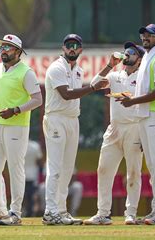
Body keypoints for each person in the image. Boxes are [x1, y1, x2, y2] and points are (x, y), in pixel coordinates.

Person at [42, 34, 107, 225]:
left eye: (76, 46)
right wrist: (93, 89)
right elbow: (66, 94)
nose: (72, 49)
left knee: (67, 168)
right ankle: (49, 211)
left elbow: (87, 87)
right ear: (63, 48)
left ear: (80, 50)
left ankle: (60, 211)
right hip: (56, 118)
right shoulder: (57, 67)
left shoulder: (78, 70)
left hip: (72, 119)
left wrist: (108, 68)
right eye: (69, 45)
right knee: (54, 168)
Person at [117, 24, 155, 225]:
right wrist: (131, 98)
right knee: (152, 165)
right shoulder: (150, 57)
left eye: (150, 35)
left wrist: (132, 101)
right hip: (147, 115)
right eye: (143, 34)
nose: (145, 37)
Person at [0, 34, 43, 226]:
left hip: (17, 126)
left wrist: (16, 110)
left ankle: (16, 213)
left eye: (8, 48)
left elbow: (37, 99)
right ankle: (0, 212)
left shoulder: (26, 72)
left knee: (16, 168)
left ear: (18, 52)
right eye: (2, 48)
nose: (4, 51)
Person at [84, 43, 145, 226]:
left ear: (139, 59)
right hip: (114, 128)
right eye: (126, 52)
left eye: (132, 52)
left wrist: (144, 133)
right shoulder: (115, 75)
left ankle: (131, 213)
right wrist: (110, 64)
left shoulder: (143, 77)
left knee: (133, 172)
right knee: (103, 170)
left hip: (134, 127)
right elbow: (95, 83)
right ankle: (103, 214)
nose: (127, 54)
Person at [23, 139, 43, 217]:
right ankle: (30, 213)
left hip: (21, 174)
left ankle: (22, 211)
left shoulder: (19, 145)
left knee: (22, 195)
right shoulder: (35, 146)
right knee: (31, 196)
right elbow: (40, 160)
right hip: (32, 174)